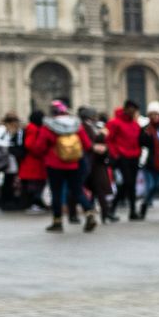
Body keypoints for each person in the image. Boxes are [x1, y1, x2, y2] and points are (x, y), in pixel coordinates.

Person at [30, 100, 97, 233]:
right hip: (74, 164)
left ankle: (57, 222)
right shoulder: (77, 125)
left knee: (56, 193)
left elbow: (39, 148)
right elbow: (88, 145)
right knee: (78, 190)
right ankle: (89, 213)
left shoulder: (48, 126)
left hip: (54, 165)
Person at [106, 100, 142, 220]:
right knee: (128, 182)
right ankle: (112, 208)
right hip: (122, 157)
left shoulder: (135, 124)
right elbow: (109, 140)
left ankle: (132, 211)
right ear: (126, 109)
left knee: (131, 185)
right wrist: (115, 154)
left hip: (134, 157)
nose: (133, 113)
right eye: (132, 110)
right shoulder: (114, 123)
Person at [16, 111, 49, 212]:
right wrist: (39, 151)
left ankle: (31, 203)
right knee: (34, 184)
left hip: (31, 161)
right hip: (33, 161)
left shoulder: (30, 127)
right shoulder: (33, 128)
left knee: (32, 184)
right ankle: (34, 204)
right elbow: (29, 144)